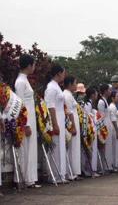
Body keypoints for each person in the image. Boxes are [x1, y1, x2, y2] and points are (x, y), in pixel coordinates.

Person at [13, 54, 40, 188]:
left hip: (30, 118)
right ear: (29, 66)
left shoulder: (25, 80)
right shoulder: (21, 82)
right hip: (25, 120)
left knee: (30, 149)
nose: (34, 67)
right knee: (25, 149)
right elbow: (20, 104)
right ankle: (25, 178)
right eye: (34, 64)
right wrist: (26, 124)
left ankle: (30, 178)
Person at [44, 64, 69, 184]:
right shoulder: (51, 87)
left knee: (60, 147)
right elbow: (50, 106)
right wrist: (55, 123)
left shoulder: (57, 87)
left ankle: (60, 174)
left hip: (60, 116)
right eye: (63, 72)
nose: (65, 75)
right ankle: (54, 174)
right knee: (55, 148)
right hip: (55, 118)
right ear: (59, 73)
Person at [63, 75, 83, 181]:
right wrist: (73, 126)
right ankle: (72, 173)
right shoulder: (67, 95)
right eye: (75, 83)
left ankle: (75, 171)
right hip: (72, 122)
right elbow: (69, 112)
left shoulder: (70, 95)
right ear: (70, 84)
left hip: (74, 120)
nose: (76, 85)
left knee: (75, 147)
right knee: (72, 148)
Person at [82, 87, 100, 177]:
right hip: (90, 129)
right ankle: (90, 170)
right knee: (91, 149)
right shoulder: (88, 105)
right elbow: (87, 117)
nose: (97, 94)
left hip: (93, 127)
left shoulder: (90, 104)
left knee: (93, 149)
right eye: (96, 93)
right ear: (92, 94)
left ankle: (92, 169)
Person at [97, 84, 113, 172]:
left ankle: (108, 165)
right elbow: (101, 115)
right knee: (105, 145)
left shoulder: (105, 100)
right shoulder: (101, 102)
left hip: (108, 123)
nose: (110, 91)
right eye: (109, 90)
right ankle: (104, 166)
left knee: (108, 145)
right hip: (105, 124)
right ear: (105, 91)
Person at [108, 90, 118, 171]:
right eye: (117, 96)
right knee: (114, 147)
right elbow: (113, 119)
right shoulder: (112, 107)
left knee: (116, 146)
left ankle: (116, 164)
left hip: (116, 127)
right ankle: (114, 165)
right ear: (113, 98)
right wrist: (117, 131)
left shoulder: (114, 106)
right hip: (114, 128)